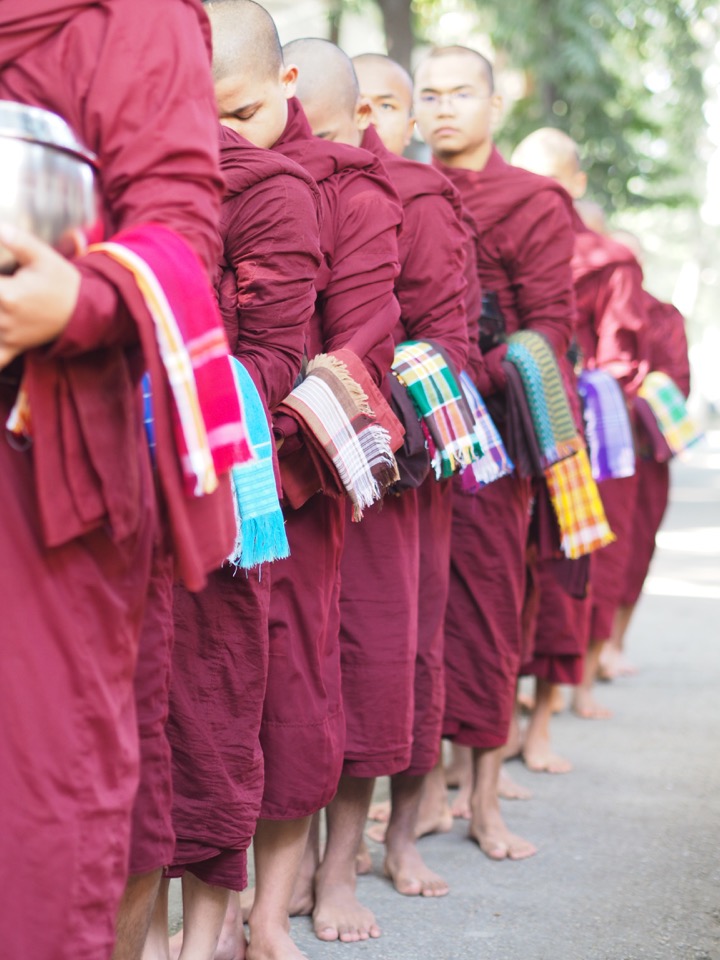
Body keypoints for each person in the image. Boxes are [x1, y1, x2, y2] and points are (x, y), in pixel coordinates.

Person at [0, 1, 237, 958]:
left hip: (36, 462)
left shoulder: (131, 18)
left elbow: (180, 230)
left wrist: (83, 297)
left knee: (38, 801)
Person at [203, 4, 403, 958]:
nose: (222, 139)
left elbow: (364, 342)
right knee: (207, 695)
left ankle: (276, 909)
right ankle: (205, 903)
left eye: (238, 116)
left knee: (293, 692)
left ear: (289, 93)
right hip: (198, 474)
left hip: (294, 476)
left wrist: (270, 441)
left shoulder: (356, 196)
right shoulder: (193, 173)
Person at [279, 41, 470, 939]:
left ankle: (352, 858)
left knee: (374, 664)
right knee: (287, 677)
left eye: (399, 106)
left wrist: (356, 394)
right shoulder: (251, 178)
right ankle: (281, 872)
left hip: (383, 469)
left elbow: (450, 345)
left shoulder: (410, 198)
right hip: (285, 464)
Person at [141, 125, 322, 960]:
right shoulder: (115, 155)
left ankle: (208, 933)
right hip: (110, 471)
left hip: (222, 472)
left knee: (215, 710)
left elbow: (281, 350)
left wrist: (186, 390)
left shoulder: (272, 189)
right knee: (128, 729)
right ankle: (136, 937)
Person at [413, 47, 577, 860]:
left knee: (483, 608)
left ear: (493, 104)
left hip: (489, 435)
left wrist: (487, 359)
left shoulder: (534, 201)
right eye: (430, 94)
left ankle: (483, 800)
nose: (444, 108)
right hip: (409, 429)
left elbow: (553, 323)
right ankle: (419, 794)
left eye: (461, 93)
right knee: (409, 615)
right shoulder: (403, 188)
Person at [512, 128, 650, 720]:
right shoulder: (496, 237)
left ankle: (552, 707)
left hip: (578, 429)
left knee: (569, 562)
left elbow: (622, 358)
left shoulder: (609, 260)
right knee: (506, 568)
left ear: (577, 184)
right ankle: (506, 708)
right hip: (509, 420)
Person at [603, 231, 691, 678]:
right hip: (596, 447)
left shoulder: (662, 315)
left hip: (642, 449)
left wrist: (628, 397)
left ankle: (614, 643)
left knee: (636, 547)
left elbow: (677, 380)